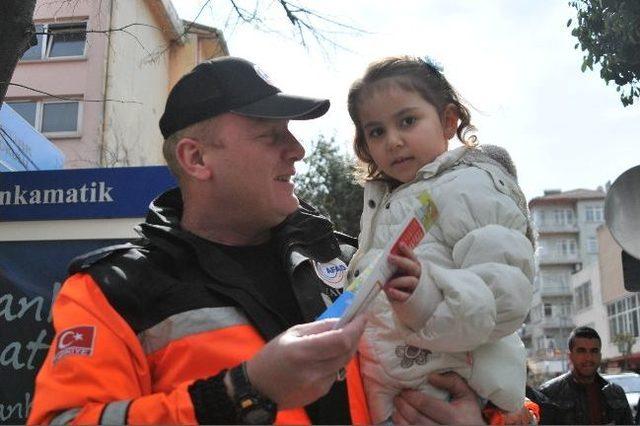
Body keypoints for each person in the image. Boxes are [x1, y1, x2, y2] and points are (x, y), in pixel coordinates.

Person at [27, 56, 485, 425]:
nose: (298, 150)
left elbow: (468, 368)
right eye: (271, 135)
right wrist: (243, 393)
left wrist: (489, 419)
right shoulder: (113, 290)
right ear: (197, 157)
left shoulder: (355, 261)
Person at [345, 55, 535, 424]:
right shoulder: (389, 203)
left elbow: (503, 296)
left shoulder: (470, 187)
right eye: (377, 131)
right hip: (396, 384)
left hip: (445, 384)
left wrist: (426, 297)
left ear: (448, 121)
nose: (394, 141)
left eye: (407, 121)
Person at [538, 326, 632, 424]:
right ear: (570, 356)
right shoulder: (549, 393)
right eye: (581, 351)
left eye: (594, 351)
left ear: (600, 355)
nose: (588, 358)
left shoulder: (615, 393)